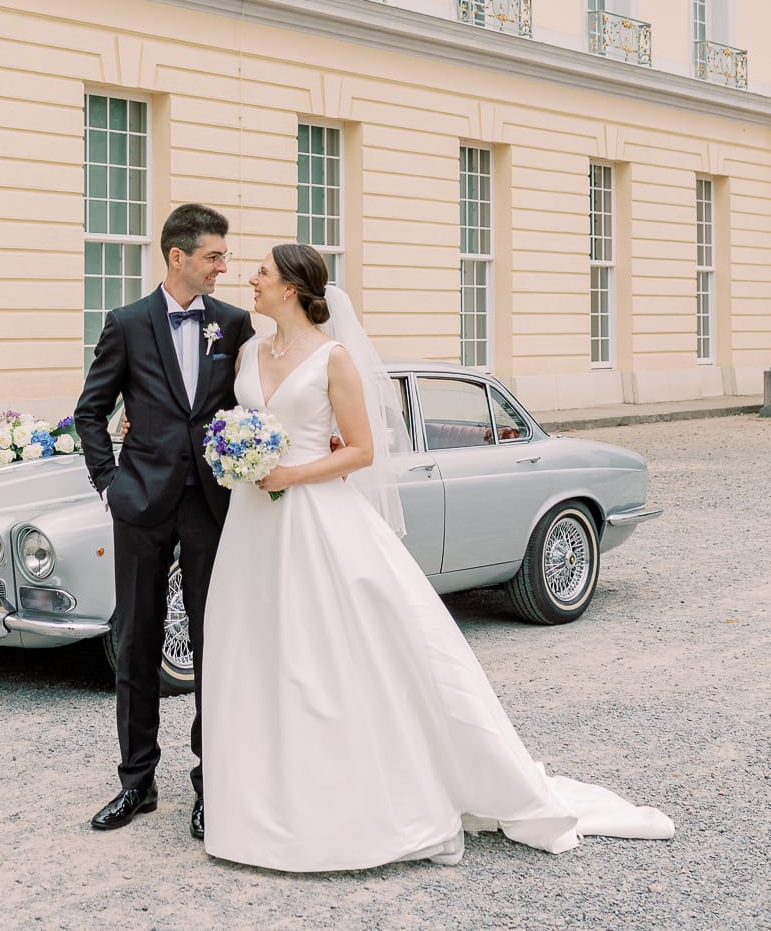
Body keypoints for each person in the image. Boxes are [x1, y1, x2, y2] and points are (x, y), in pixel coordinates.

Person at [202, 243, 674, 872]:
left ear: (290, 288)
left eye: (262, 272)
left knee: (325, 651)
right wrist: (237, 456)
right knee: (258, 648)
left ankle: (348, 802)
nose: (250, 279)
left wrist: (292, 472)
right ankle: (262, 801)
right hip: (252, 521)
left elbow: (363, 451)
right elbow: (238, 421)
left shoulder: (332, 359)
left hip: (311, 513)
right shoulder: (249, 351)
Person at [75, 203, 255, 839]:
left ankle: (212, 786)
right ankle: (136, 782)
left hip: (211, 504)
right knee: (137, 641)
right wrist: (110, 485)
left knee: (214, 646)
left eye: (224, 257)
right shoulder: (125, 324)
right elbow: (90, 412)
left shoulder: (235, 325)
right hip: (142, 505)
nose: (222, 267)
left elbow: (249, 405)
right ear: (177, 257)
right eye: (213, 256)